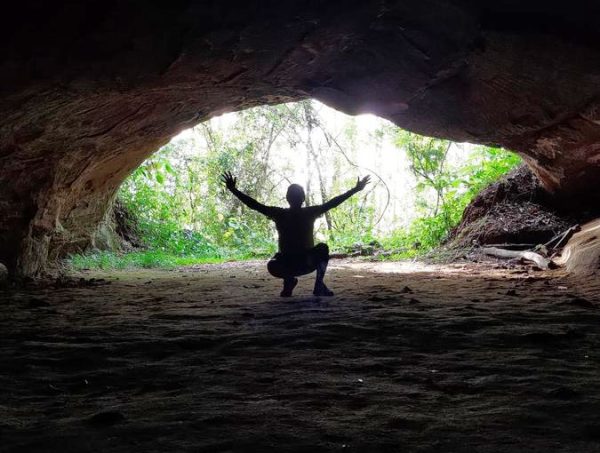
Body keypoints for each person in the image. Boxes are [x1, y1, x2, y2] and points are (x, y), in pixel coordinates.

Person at [222, 171, 371, 297]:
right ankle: (301, 282)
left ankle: (298, 282)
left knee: (275, 264)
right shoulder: (305, 212)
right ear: (303, 198)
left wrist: (234, 190)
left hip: (295, 263)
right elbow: (333, 203)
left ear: (287, 198)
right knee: (317, 250)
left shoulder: (281, 213)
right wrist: (356, 189)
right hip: (303, 262)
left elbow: (254, 205)